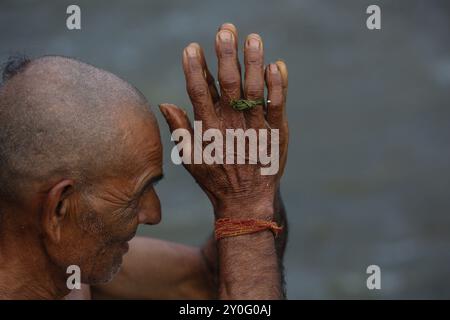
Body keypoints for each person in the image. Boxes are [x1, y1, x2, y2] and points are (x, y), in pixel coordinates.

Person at [0, 23, 289, 300]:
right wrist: (245, 202)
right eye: (137, 195)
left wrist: (253, 177)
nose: (154, 214)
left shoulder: (67, 268)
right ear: (59, 209)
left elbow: (211, 279)